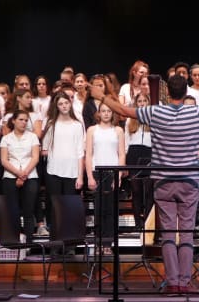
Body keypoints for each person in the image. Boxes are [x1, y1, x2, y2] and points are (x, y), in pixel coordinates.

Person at [89, 74, 199, 295]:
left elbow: (125, 112)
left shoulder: (156, 112)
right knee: (187, 235)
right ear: (186, 93)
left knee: (168, 236)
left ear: (167, 93)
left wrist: (101, 96)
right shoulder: (196, 112)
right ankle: (184, 281)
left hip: (163, 182)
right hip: (188, 183)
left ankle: (173, 282)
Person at [85, 102, 126, 251]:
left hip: (112, 172)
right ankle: (98, 243)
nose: (106, 114)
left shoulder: (118, 130)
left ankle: (108, 244)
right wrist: (89, 176)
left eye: (109, 111)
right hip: (97, 172)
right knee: (99, 210)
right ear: (99, 113)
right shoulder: (92, 130)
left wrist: (119, 176)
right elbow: (88, 154)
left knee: (110, 210)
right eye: (103, 111)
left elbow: (121, 154)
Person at [0, 110, 40, 243]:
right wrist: (18, 173)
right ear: (13, 121)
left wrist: (24, 174)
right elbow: (4, 160)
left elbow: (35, 158)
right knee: (13, 212)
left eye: (26, 120)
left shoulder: (33, 137)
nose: (24, 122)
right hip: (10, 176)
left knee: (29, 211)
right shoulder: (6, 138)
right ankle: (14, 242)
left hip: (30, 175)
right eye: (21, 119)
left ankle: (29, 243)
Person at [41, 91, 86, 198]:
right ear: (56, 107)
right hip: (53, 171)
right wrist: (56, 153)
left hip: (72, 172)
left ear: (70, 104)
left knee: (70, 207)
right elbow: (44, 150)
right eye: (60, 104)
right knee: (54, 207)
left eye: (66, 103)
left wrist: (80, 176)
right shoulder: (51, 124)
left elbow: (80, 152)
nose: (64, 106)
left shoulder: (77, 125)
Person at [125, 93, 153, 228]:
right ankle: (137, 223)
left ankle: (148, 222)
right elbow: (126, 143)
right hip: (134, 155)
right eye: (139, 101)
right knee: (136, 191)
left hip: (149, 154)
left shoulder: (154, 120)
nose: (142, 103)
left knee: (148, 190)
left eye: (144, 101)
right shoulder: (130, 120)